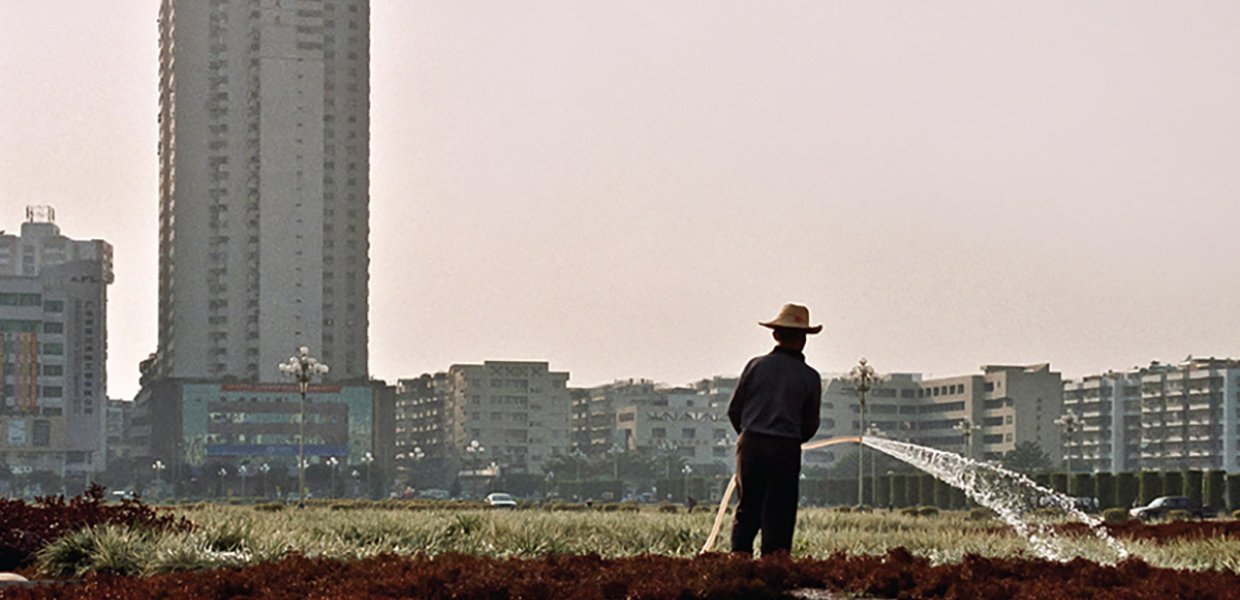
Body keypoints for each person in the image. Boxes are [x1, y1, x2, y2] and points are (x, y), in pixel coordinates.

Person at [727, 303, 822, 556]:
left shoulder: (755, 366)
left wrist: (749, 436)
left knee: (747, 509)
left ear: (775, 334)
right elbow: (810, 424)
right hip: (786, 448)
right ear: (803, 340)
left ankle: (738, 567)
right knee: (779, 513)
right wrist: (789, 439)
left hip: (751, 444)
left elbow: (734, 410)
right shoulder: (809, 377)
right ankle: (774, 571)